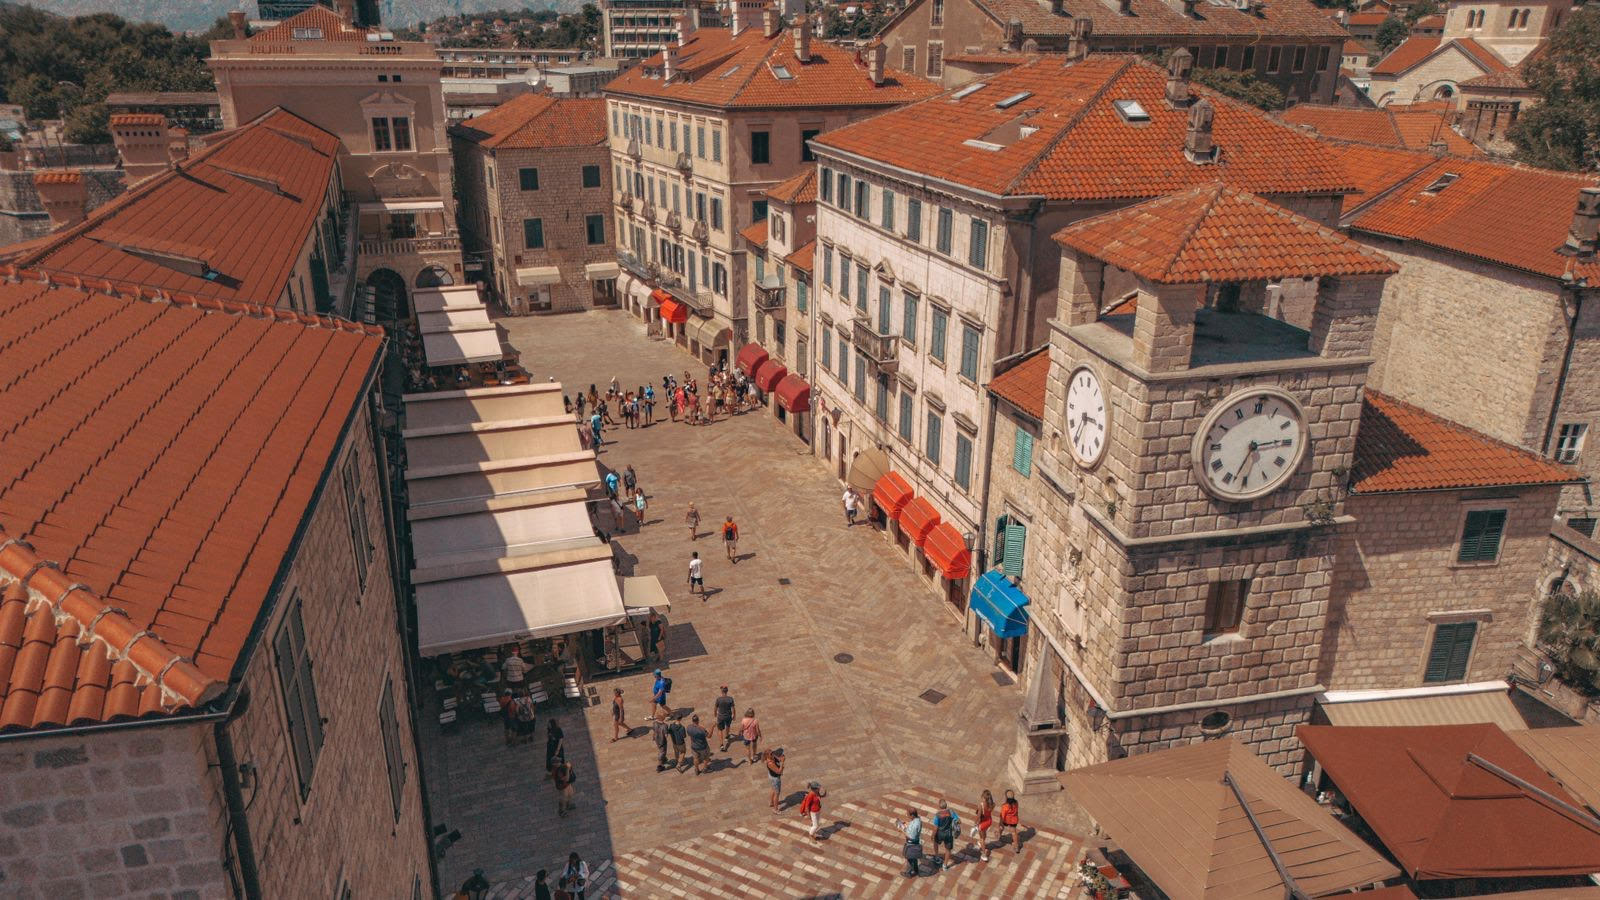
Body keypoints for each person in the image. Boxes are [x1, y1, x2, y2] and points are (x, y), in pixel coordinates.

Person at [932, 799, 960, 870]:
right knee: (948, 849)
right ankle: (945, 865)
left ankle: (937, 857)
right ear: (946, 805)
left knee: (935, 842)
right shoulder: (951, 812)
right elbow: (959, 821)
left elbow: (935, 828)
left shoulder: (937, 815)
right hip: (949, 834)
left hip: (939, 833)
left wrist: (932, 835)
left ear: (939, 806)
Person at [898, 809, 924, 878]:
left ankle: (909, 873)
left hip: (911, 844)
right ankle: (916, 870)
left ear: (912, 815)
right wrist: (906, 824)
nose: (907, 816)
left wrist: (902, 831)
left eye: (908, 815)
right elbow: (912, 826)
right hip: (915, 842)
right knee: (914, 857)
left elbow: (910, 837)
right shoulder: (918, 819)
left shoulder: (915, 825)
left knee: (909, 858)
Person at [997, 790, 1022, 854]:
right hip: (1014, 820)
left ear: (1006, 798)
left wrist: (1000, 823)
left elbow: (1002, 816)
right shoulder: (1016, 803)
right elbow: (1017, 811)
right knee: (1014, 833)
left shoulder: (1005, 806)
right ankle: (1016, 847)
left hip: (1006, 820)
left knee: (1001, 827)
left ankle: (999, 835)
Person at [975, 789, 996, 862]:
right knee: (984, 834)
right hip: (989, 821)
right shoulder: (993, 804)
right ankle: (982, 842)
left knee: (982, 839)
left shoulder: (981, 805)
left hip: (982, 823)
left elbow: (978, 816)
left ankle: (984, 854)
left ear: (983, 798)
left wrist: (976, 823)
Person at [714, 686, 736, 751]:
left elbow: (715, 708)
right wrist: (734, 715)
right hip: (728, 716)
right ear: (727, 691)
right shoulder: (730, 699)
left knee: (720, 730)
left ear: (722, 691)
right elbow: (733, 708)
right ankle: (727, 736)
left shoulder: (718, 699)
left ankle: (721, 745)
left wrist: (715, 714)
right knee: (728, 726)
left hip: (720, 716)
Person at [765, 747, 785, 812]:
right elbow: (779, 771)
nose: (773, 754)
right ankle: (775, 809)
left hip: (772, 776)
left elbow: (778, 759)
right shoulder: (770, 763)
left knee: (773, 789)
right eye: (771, 753)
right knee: (777, 793)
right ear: (768, 755)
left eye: (772, 752)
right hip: (775, 779)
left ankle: (771, 803)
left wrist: (781, 758)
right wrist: (782, 763)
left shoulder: (772, 757)